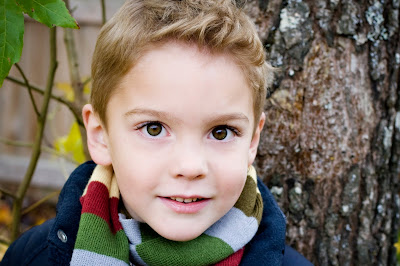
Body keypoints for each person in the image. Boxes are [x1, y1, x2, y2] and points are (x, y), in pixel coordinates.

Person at [1, 0, 312, 265]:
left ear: (252, 141)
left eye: (221, 132)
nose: (189, 167)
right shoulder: (33, 258)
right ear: (100, 135)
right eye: (154, 128)